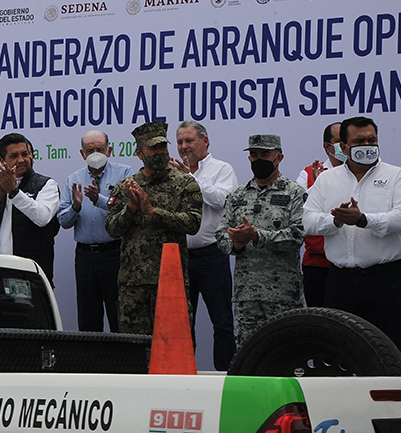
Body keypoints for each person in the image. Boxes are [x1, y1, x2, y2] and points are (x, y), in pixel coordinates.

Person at [303, 116, 401, 353]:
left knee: (387, 351)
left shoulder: (396, 175)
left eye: (371, 140)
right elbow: (308, 221)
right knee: (337, 352)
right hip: (339, 281)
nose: (367, 145)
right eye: (359, 141)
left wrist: (363, 220)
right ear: (343, 147)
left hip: (383, 280)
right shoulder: (326, 179)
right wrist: (335, 221)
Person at [105, 121, 202, 336]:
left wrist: (153, 211)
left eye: (162, 147)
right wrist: (131, 208)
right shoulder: (125, 187)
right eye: (153, 148)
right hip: (133, 284)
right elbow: (111, 229)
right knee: (135, 348)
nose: (160, 152)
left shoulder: (185, 183)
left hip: (170, 281)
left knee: (173, 343)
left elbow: (193, 223)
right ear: (139, 153)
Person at [216, 134, 306, 345]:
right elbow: (220, 235)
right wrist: (237, 243)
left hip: (283, 294)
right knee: (249, 354)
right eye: (254, 155)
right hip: (246, 295)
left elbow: (297, 236)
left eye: (265, 154)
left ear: (279, 157)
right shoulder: (237, 195)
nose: (258, 160)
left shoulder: (294, 193)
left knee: (287, 351)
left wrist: (257, 236)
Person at [172, 121, 237, 370]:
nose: (184, 147)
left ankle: (225, 376)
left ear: (205, 140)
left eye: (189, 140)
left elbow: (223, 200)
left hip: (212, 255)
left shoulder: (222, 169)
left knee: (222, 322)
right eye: (180, 142)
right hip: (181, 257)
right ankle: (184, 376)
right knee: (181, 325)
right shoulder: (172, 172)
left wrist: (189, 179)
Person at [57, 129, 133, 332]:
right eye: (90, 150)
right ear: (82, 154)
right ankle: (91, 354)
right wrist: (75, 207)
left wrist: (98, 199)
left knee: (119, 315)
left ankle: (122, 354)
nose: (95, 154)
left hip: (115, 253)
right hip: (85, 257)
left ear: (109, 150)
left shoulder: (124, 174)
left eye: (99, 149)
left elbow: (126, 208)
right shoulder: (73, 179)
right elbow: (63, 221)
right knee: (88, 317)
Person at [0, 133, 60, 281]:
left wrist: (14, 192)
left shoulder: (47, 185)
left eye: (25, 154)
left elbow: (42, 218)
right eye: (14, 156)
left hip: (30, 274)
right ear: (2, 161)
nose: (21, 160)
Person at [295, 122, 343, 307]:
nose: (345, 145)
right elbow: (298, 209)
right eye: (339, 141)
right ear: (327, 146)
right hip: (317, 264)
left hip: (349, 264)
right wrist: (318, 185)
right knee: (319, 319)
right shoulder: (308, 173)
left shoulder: (360, 174)